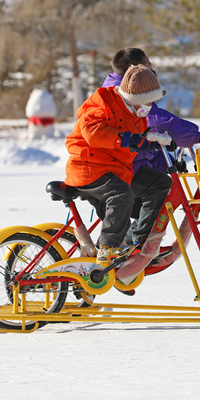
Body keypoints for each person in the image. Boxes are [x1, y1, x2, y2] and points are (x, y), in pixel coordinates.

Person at [102, 47, 200, 246]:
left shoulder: (124, 89)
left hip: (129, 164)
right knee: (159, 190)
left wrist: (170, 160)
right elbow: (156, 121)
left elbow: (150, 135)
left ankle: (133, 245)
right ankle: (140, 244)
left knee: (156, 200)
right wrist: (197, 137)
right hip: (118, 170)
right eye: (149, 66)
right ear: (134, 67)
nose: (152, 71)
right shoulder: (126, 94)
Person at [64, 64, 168, 266]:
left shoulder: (135, 113)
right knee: (121, 195)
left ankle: (139, 242)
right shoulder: (103, 105)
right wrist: (125, 138)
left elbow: (134, 140)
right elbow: (92, 132)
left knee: (157, 184)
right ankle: (108, 248)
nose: (149, 107)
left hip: (111, 169)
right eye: (147, 102)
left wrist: (150, 142)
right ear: (133, 98)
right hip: (88, 168)